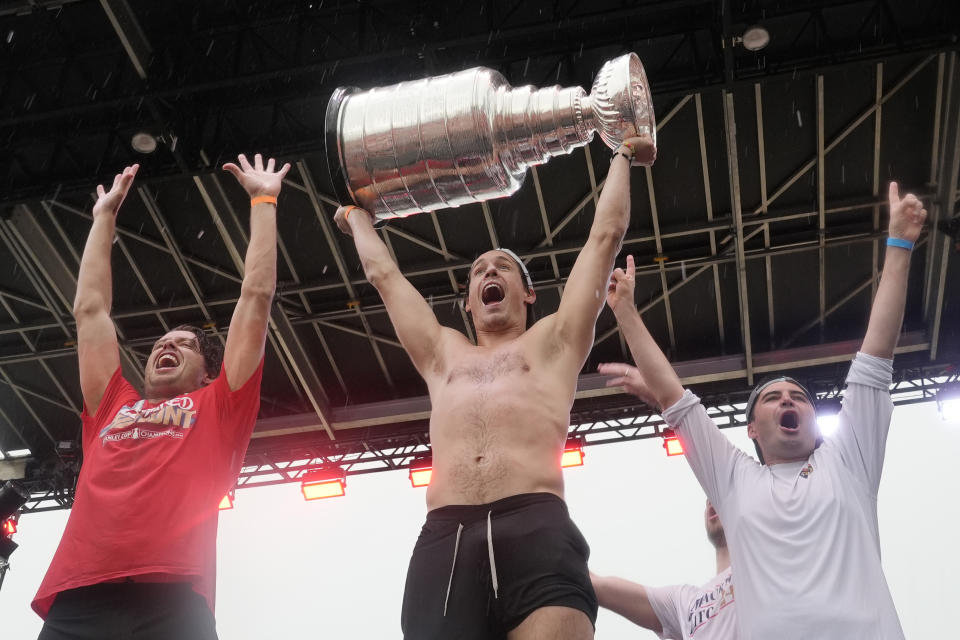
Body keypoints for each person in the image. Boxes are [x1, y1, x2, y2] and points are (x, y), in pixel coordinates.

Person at [335, 135, 656, 639]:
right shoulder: (443, 354)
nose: (489, 271)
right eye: (479, 271)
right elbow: (385, 277)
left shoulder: (554, 341)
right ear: (467, 304)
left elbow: (604, 237)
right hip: (447, 537)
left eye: (502, 266)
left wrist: (623, 153)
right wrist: (356, 219)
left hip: (536, 525)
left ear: (527, 293)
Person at [597, 182, 926, 639]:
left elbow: (875, 355)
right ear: (751, 429)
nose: (789, 400)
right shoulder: (734, 481)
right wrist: (626, 313)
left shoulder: (850, 459)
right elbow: (676, 399)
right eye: (773, 398)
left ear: (815, 420)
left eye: (800, 397)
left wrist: (900, 244)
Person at [33, 154, 290, 640]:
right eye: (160, 343)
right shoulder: (113, 405)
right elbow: (90, 311)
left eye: (184, 344)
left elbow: (255, 295)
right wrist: (103, 218)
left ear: (207, 373)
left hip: (174, 601)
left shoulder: (219, 405)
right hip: (80, 599)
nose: (167, 345)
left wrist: (263, 200)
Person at [591, 500, 737, 639]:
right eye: (709, 496)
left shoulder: (755, 573)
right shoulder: (686, 603)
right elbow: (596, 586)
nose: (711, 500)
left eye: (720, 495)